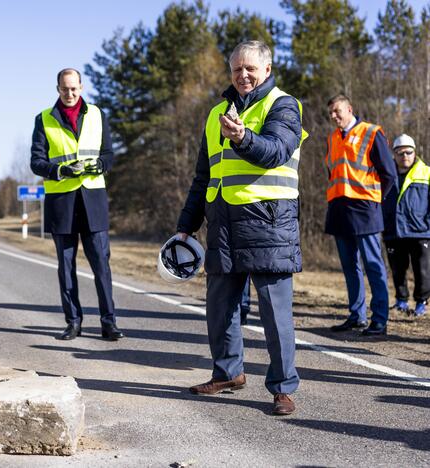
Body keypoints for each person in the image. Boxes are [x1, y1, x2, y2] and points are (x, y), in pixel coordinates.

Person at [176, 41, 306, 415]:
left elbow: (276, 150)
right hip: (222, 224)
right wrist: (187, 225)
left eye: (250, 68)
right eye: (236, 69)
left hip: (269, 223)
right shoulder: (217, 111)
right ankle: (227, 372)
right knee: (220, 308)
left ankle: (282, 388)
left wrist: (243, 137)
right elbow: (204, 176)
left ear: (266, 69)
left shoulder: (284, 104)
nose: (243, 75)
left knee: (274, 312)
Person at [30, 68, 124, 341]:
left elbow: (109, 154)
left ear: (81, 87)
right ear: (57, 88)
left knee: (101, 266)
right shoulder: (44, 119)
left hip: (93, 201)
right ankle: (73, 322)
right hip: (62, 203)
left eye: (73, 88)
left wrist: (101, 164)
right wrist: (60, 171)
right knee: (66, 266)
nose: (69, 94)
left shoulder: (97, 114)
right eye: (64, 89)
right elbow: (36, 162)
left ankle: (109, 323)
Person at [325, 95, 397, 335]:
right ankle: (357, 316)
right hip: (339, 210)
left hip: (365, 210)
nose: (334, 116)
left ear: (349, 108)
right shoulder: (332, 138)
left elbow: (389, 174)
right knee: (350, 267)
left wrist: (376, 201)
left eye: (337, 111)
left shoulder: (371, 132)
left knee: (373, 266)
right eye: (331, 113)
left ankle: (379, 319)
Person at [382, 134, 430, 318]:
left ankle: (421, 302)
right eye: (400, 153)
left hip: (420, 231)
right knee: (397, 269)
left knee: (422, 270)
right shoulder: (386, 174)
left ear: (415, 152)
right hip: (393, 230)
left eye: (409, 152)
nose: (405, 156)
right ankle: (401, 300)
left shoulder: (426, 172)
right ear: (394, 154)